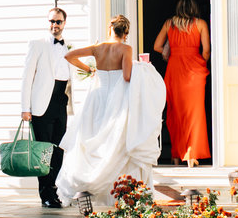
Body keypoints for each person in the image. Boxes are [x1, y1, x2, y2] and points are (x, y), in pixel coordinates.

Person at [56, 15, 166, 206]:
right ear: (126, 33)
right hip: (116, 99)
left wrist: (89, 69)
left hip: (97, 99)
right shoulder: (125, 48)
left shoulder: (97, 47)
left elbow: (68, 56)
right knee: (117, 143)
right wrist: (143, 68)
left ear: (110, 29)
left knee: (94, 139)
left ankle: (89, 188)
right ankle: (119, 193)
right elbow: (126, 75)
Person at [20, 7, 76, 208]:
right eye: (51, 21)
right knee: (43, 152)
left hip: (61, 103)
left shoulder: (69, 46)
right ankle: (45, 195)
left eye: (58, 21)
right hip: (41, 107)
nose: (55, 25)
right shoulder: (37, 45)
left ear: (64, 23)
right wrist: (25, 108)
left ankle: (55, 191)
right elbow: (27, 78)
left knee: (58, 151)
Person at [153, 0, 210, 167]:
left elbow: (157, 46)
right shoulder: (200, 24)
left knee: (175, 114)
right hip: (195, 71)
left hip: (174, 70)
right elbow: (206, 51)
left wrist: (172, 50)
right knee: (195, 114)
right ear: (194, 9)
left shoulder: (169, 23)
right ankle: (192, 155)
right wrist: (200, 64)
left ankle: (177, 154)